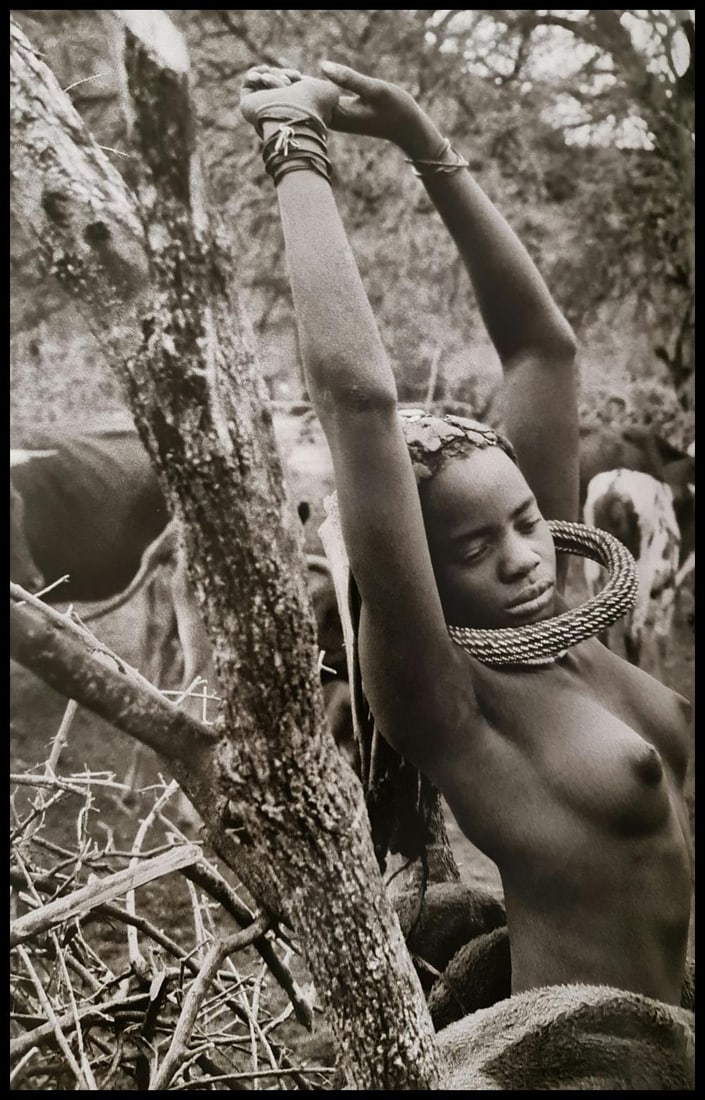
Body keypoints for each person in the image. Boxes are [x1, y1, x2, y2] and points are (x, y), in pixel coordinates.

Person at [239, 62, 693, 1008]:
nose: (524, 557)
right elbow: (359, 402)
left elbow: (544, 348)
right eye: (474, 551)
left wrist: (425, 146)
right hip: (583, 1063)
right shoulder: (441, 689)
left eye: (526, 520)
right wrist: (297, 149)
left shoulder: (559, 617)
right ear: (419, 578)